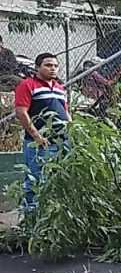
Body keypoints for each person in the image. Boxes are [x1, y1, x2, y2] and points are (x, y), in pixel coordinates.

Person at [13, 53, 70, 211]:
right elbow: (21, 112)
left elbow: (66, 112)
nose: (53, 69)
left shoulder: (59, 88)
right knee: (36, 181)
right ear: (38, 67)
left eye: (55, 66)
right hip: (41, 143)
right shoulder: (27, 85)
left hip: (63, 142)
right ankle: (31, 222)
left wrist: (72, 133)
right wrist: (37, 136)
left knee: (59, 181)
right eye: (48, 65)